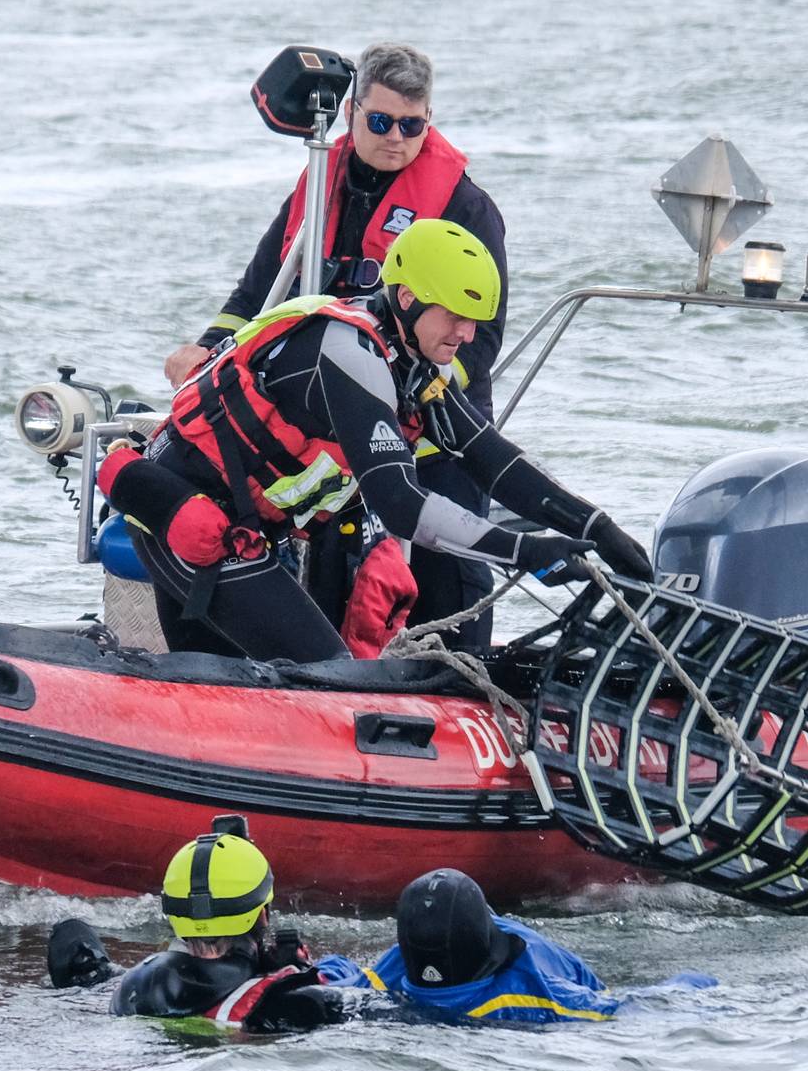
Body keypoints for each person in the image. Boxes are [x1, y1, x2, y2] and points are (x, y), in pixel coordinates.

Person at [98, 218, 653, 663]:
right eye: (456, 317)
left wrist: (597, 528)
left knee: (241, 675)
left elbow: (493, 460)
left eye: (476, 322)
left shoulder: (410, 361)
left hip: (237, 526)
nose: (466, 335)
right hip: (188, 520)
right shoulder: (349, 352)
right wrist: (524, 552)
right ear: (407, 298)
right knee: (328, 671)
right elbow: (402, 504)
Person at [161, 43, 513, 650]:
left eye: (412, 126)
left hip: (432, 432)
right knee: (334, 572)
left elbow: (477, 341)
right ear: (351, 113)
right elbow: (260, 291)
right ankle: (324, 679)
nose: (396, 138)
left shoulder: (466, 207)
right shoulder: (320, 180)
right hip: (332, 432)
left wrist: (404, 398)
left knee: (450, 576)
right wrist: (208, 348)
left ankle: (462, 677)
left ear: (429, 120)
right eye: (381, 122)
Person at [46, 818, 347, 1034]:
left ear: (175, 915)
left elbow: (70, 938)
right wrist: (298, 971)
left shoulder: (135, 989)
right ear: (263, 914)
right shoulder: (300, 1002)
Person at [313, 868, 710, 1023]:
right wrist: (700, 983)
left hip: (549, 964)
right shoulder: (535, 996)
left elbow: (340, 972)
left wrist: (314, 972)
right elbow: (633, 1006)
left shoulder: (392, 974)